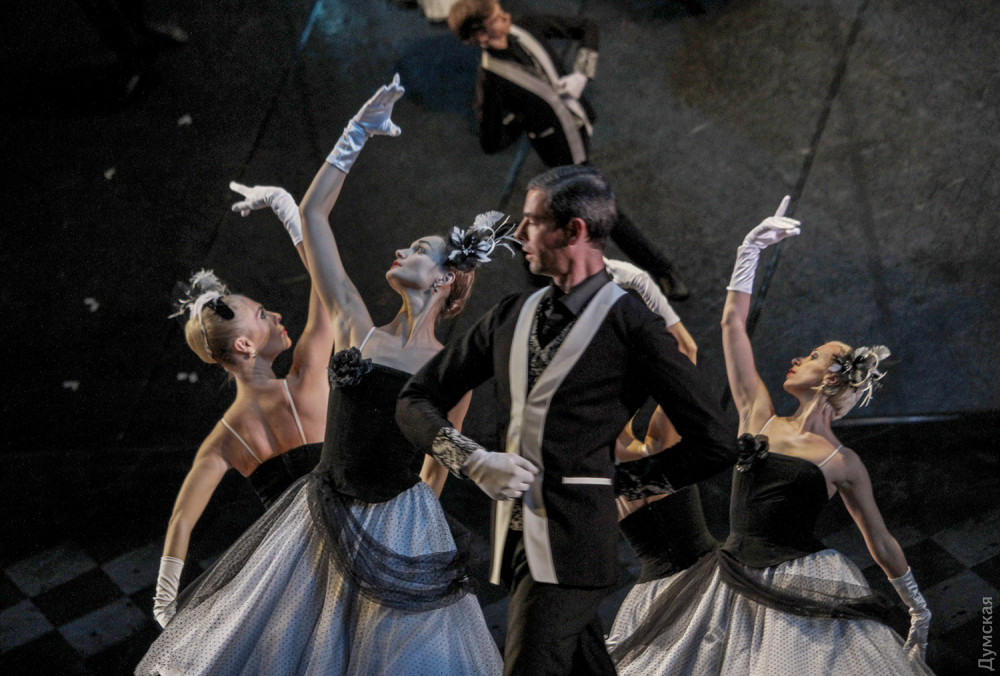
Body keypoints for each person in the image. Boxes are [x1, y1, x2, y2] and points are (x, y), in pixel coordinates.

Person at [136, 76, 503, 675]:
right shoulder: (357, 325)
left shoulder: (449, 369)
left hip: (397, 528)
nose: (401, 250)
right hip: (322, 514)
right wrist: (356, 133)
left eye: (418, 249)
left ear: (442, 281)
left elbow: (435, 469)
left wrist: (406, 556)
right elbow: (314, 215)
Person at [396, 164, 736, 675]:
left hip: (573, 547)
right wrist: (472, 460)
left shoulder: (632, 326)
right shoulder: (510, 314)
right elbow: (416, 398)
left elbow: (716, 441)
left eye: (532, 222)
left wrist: (616, 484)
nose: (518, 234)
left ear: (573, 230)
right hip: (516, 542)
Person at [607, 197, 934, 674]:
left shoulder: (842, 461)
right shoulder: (759, 414)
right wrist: (749, 253)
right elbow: (732, 325)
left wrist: (917, 606)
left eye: (813, 356)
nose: (799, 359)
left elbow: (880, 540)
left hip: (802, 581)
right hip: (731, 577)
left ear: (831, 378)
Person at [152, 185, 332, 629]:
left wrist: (165, 602)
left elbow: (181, 519)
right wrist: (288, 213)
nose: (277, 316)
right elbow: (330, 287)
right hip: (360, 543)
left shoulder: (223, 439)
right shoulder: (306, 378)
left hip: (293, 570)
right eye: (264, 315)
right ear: (246, 345)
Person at [447, 0, 690, 301]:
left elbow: (586, 27)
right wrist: (524, 118)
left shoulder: (526, 27)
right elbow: (491, 142)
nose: (506, 16)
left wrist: (582, 74)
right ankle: (662, 269)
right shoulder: (491, 80)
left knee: (557, 205)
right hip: (559, 150)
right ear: (482, 36)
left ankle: (528, 247)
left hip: (578, 123)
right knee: (604, 210)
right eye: (496, 18)